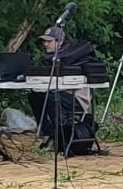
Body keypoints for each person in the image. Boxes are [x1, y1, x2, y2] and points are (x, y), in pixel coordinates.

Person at [28, 26, 98, 154]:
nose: (45, 44)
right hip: (59, 93)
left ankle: (60, 136)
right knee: (35, 96)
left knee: (51, 98)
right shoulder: (49, 58)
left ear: (59, 41)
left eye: (49, 41)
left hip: (76, 98)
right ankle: (47, 132)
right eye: (44, 41)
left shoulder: (72, 57)